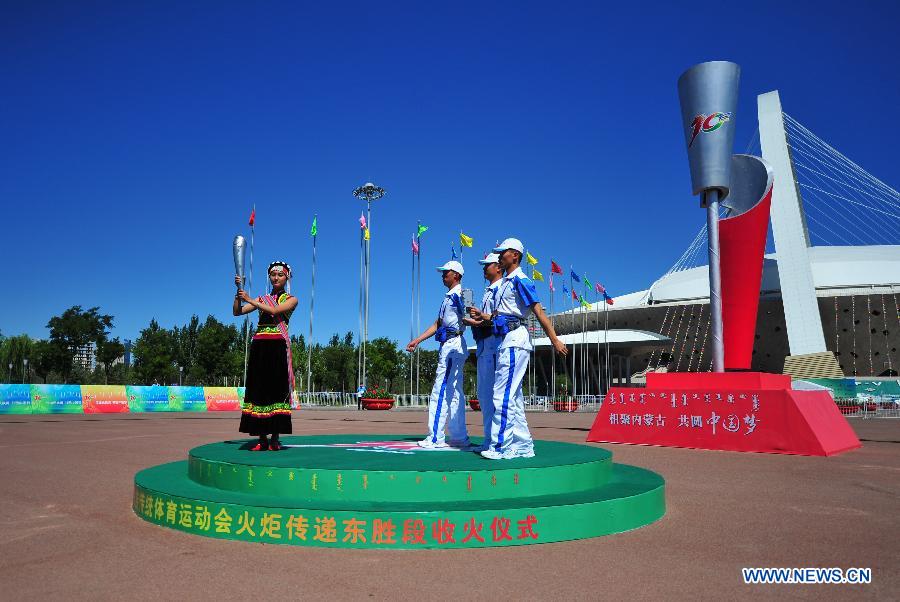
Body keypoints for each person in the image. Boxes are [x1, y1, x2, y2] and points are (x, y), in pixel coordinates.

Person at [471, 238, 568, 459]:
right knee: (512, 398)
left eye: (502, 253)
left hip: (515, 340)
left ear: (515, 255)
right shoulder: (506, 282)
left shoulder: (520, 280)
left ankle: (501, 446)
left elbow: (538, 311)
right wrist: (483, 317)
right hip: (505, 339)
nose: (499, 257)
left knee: (501, 395)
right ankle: (523, 446)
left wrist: (554, 339)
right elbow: (501, 315)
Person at [233, 261, 299, 451]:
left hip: (277, 346)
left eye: (280, 275)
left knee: (276, 390)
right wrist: (238, 292)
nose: (276, 278)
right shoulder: (261, 299)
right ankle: (262, 438)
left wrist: (250, 299)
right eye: (273, 275)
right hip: (260, 347)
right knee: (259, 390)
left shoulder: (291, 299)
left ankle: (275, 438)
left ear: (287, 277)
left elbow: (275, 311)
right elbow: (237, 312)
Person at [406, 260, 470, 449]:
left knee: (440, 390)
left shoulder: (458, 295)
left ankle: (435, 437)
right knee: (454, 391)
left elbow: (468, 316)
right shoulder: (449, 297)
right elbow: (438, 324)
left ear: (456, 275)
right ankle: (459, 437)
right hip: (451, 342)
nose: (443, 275)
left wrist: (483, 322)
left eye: (446, 272)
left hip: (452, 344)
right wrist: (418, 340)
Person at [464, 252, 503, 451]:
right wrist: (476, 320)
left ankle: (499, 442)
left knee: (496, 396)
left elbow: (497, 317)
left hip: (495, 343)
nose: (484, 268)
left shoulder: (501, 289)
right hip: (484, 344)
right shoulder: (489, 290)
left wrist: (478, 319)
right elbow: (486, 318)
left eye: (487, 265)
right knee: (484, 395)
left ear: (498, 267)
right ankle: (489, 440)